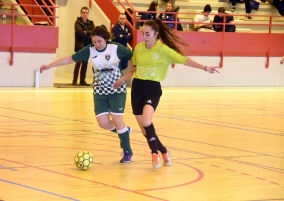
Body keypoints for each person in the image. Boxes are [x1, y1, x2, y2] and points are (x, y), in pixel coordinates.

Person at [113, 19, 220, 169]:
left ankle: (154, 154)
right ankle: (163, 150)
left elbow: (184, 60)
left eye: (148, 34)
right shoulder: (138, 48)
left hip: (152, 88)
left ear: (156, 34)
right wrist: (122, 80)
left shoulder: (163, 50)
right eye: (143, 33)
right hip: (137, 88)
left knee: (147, 121)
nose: (144, 37)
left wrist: (205, 67)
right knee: (145, 130)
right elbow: (134, 69)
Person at [40, 26, 134, 163]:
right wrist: (50, 65)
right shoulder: (89, 50)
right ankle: (124, 131)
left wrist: (127, 75)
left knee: (117, 120)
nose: (97, 44)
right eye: (94, 41)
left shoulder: (116, 48)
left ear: (106, 39)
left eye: (99, 41)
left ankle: (127, 151)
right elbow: (70, 59)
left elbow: (133, 57)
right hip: (99, 89)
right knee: (103, 123)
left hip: (116, 89)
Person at [73, 6, 95, 86]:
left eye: (86, 13)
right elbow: (80, 32)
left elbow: (93, 31)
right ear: (81, 13)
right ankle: (74, 80)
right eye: (83, 13)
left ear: (88, 14)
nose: (85, 14)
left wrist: (87, 32)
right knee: (78, 63)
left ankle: (82, 80)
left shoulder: (91, 23)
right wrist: (87, 33)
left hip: (87, 45)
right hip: (79, 45)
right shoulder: (77, 22)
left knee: (85, 63)